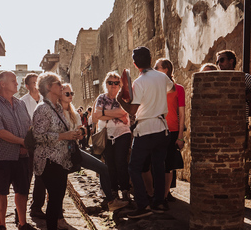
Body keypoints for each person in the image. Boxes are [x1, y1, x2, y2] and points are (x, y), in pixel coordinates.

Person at [115, 46, 173, 218]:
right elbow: (171, 88)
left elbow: (132, 110)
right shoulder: (162, 77)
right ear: (151, 58)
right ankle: (159, 202)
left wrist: (120, 100)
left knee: (134, 168)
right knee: (158, 166)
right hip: (162, 128)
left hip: (146, 129)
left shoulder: (138, 82)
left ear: (135, 64)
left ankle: (143, 205)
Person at [0, 71, 41, 230]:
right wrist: (21, 142)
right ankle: (2, 226)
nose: (17, 84)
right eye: (13, 81)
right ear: (2, 84)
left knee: (22, 191)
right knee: (2, 191)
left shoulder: (20, 104)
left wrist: (27, 143)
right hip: (2, 156)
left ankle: (22, 224)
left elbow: (28, 126)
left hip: (22, 155)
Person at [32, 73, 84, 230]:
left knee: (58, 198)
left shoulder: (57, 107)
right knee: (54, 199)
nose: (61, 86)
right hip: (48, 160)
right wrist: (63, 136)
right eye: (58, 83)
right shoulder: (42, 109)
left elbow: (65, 130)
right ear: (48, 87)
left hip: (61, 159)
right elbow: (38, 136)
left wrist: (74, 134)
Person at [61, 84, 128, 212]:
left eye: (71, 94)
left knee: (103, 168)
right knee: (60, 180)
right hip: (60, 152)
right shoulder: (57, 112)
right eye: (67, 94)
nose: (70, 96)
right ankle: (56, 210)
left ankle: (111, 201)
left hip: (74, 149)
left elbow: (82, 128)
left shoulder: (73, 112)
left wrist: (81, 132)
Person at [93, 71, 133, 203]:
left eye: (116, 83)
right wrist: (115, 114)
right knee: (110, 162)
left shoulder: (124, 97)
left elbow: (123, 111)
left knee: (121, 161)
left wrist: (104, 113)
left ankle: (125, 190)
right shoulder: (101, 98)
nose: (113, 85)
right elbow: (97, 115)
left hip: (122, 132)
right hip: (106, 133)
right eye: (110, 82)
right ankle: (113, 190)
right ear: (106, 84)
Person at [154, 58, 185, 203]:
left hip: (172, 129)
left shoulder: (178, 89)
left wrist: (180, 136)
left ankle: (165, 195)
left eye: (157, 67)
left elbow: (182, 113)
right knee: (156, 163)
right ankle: (159, 193)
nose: (154, 69)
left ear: (166, 69)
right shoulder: (154, 87)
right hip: (156, 128)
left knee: (168, 164)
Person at [20, 73, 47, 220]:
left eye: (38, 82)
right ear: (27, 86)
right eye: (33, 82)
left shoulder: (46, 100)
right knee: (26, 177)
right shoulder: (22, 102)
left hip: (44, 145)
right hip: (29, 145)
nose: (36, 84)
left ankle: (36, 207)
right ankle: (20, 211)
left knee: (41, 177)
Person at [216, 50, 251, 116]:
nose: (219, 64)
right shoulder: (216, 81)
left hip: (240, 121)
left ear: (231, 61)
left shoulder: (245, 78)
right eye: (217, 62)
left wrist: (243, 93)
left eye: (222, 60)